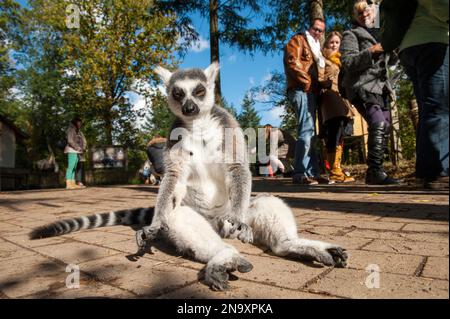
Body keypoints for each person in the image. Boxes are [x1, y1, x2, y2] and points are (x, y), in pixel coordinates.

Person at [380, 0, 449, 190]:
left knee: (427, 108)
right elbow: (441, 8)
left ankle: (425, 171)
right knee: (438, 107)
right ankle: (438, 172)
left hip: (407, 46)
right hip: (432, 39)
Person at [340, 0, 400, 185]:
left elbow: (389, 62)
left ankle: (375, 171)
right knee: (378, 122)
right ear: (355, 17)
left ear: (374, 12)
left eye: (366, 11)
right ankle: (375, 171)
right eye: (359, 13)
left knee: (385, 125)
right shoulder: (351, 34)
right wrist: (372, 51)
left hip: (381, 87)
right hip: (362, 85)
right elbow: (348, 62)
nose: (364, 15)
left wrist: (394, 52)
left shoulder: (382, 33)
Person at [284, 18, 327, 185]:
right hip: (301, 89)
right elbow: (292, 62)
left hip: (311, 92)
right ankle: (300, 172)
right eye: (315, 29)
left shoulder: (316, 48)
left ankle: (312, 172)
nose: (317, 32)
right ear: (309, 27)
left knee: (310, 132)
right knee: (306, 130)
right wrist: (307, 83)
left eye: (321, 31)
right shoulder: (298, 39)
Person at [319, 31, 356, 183]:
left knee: (340, 133)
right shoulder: (322, 58)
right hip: (329, 96)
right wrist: (326, 80)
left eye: (337, 42)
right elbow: (319, 77)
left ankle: (337, 169)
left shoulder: (341, 60)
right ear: (326, 43)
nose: (334, 45)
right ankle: (333, 170)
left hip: (342, 98)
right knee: (334, 131)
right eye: (331, 42)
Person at [64, 117, 87, 189]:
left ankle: (72, 183)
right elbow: (70, 141)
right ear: (75, 122)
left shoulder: (77, 130)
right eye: (79, 122)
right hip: (71, 150)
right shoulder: (71, 129)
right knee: (71, 166)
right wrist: (77, 147)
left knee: (74, 167)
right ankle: (68, 184)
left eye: (80, 123)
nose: (80, 124)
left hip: (76, 151)